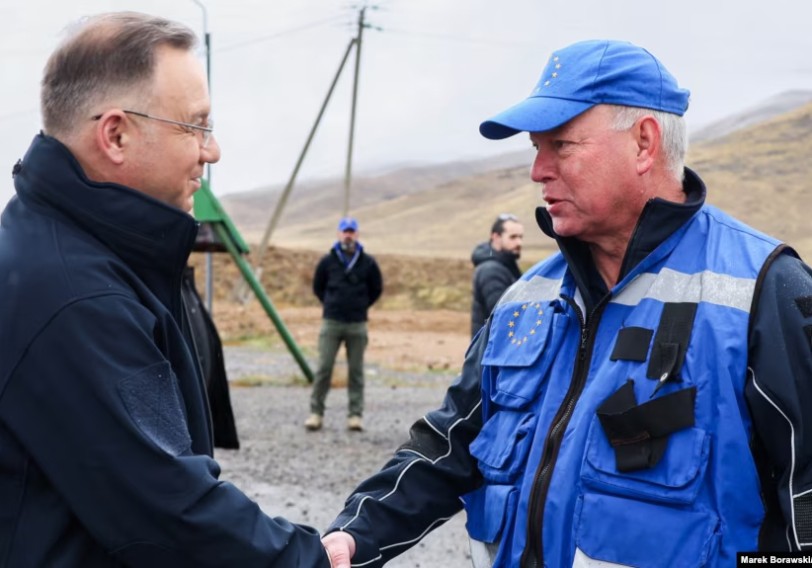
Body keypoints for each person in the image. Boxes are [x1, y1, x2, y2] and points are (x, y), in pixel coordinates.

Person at [321, 39, 812, 568]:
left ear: (644, 143)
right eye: (536, 148)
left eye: (562, 145)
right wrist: (355, 534)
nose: (538, 170)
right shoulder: (522, 301)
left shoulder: (763, 290)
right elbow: (449, 445)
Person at [0, 12, 333, 567]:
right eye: (196, 126)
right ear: (116, 134)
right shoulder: (76, 296)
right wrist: (311, 559)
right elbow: (168, 513)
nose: (212, 150)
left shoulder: (73, 248)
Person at [305, 217, 383, 432]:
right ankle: (316, 413)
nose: (348, 235)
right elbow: (318, 287)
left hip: (357, 324)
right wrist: (331, 304)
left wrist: (360, 306)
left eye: (351, 231)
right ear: (339, 234)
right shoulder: (327, 261)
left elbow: (376, 289)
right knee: (324, 368)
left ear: (357, 234)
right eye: (344, 231)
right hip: (332, 322)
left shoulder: (367, 262)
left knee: (356, 371)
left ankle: (355, 415)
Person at [470, 213, 524, 336]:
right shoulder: (491, 270)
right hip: (491, 349)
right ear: (496, 237)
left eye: (521, 237)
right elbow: (504, 316)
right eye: (513, 237)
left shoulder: (506, 265)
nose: (519, 242)